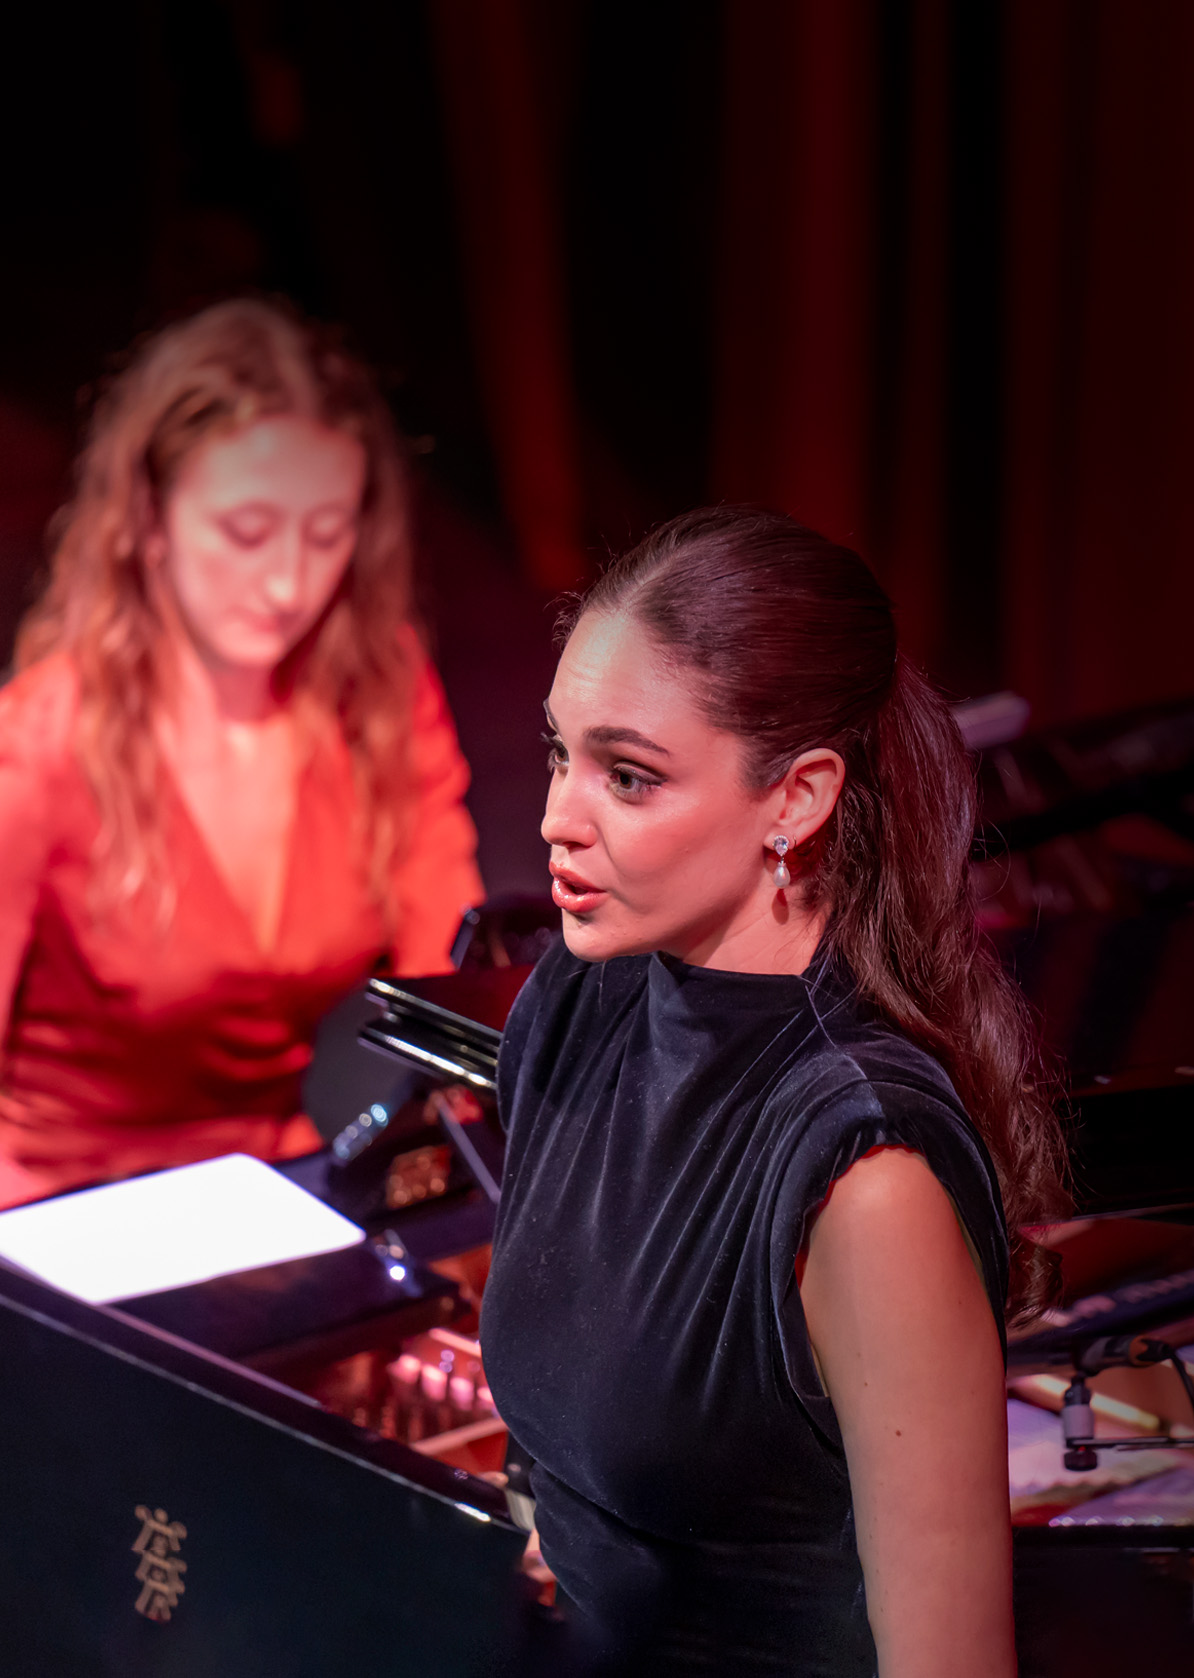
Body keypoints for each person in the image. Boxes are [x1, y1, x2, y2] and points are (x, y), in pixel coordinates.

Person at [480, 507, 1069, 1676]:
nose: (555, 819)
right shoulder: (578, 1000)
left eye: (627, 776)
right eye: (560, 753)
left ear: (797, 798)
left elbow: (948, 1662)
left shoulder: (868, 1173)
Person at [0, 299, 484, 1210]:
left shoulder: (376, 693)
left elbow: (451, 981)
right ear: (149, 518)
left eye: (327, 534)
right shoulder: (37, 745)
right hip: (50, 1212)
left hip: (263, 1195)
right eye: (248, 533)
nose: (289, 582)